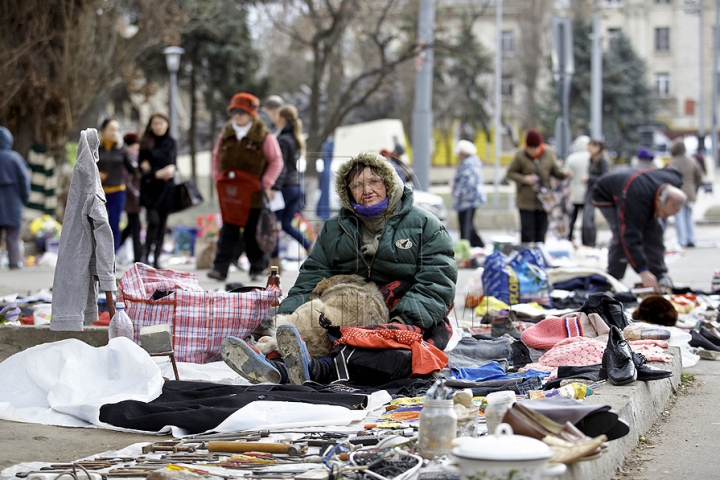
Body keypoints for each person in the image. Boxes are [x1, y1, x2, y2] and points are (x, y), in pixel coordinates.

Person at [221, 151, 458, 385]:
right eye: (357, 185)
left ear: (389, 182)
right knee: (311, 326)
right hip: (347, 306)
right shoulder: (335, 229)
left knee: (392, 352)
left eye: (374, 181)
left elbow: (436, 281)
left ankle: (300, 369)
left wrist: (399, 324)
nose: (367, 190)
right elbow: (312, 275)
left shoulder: (425, 225)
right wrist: (285, 316)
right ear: (348, 193)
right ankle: (276, 362)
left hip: (404, 310)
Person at [208, 92, 283, 282]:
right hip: (230, 193)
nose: (237, 115)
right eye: (234, 111)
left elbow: (276, 161)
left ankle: (257, 269)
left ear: (251, 113)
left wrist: (265, 183)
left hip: (253, 194)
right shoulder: (225, 134)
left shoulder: (264, 136)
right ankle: (219, 269)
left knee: (252, 233)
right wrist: (216, 177)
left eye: (241, 112)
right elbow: (216, 157)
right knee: (228, 231)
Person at [591, 167, 685, 292]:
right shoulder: (636, 200)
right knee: (621, 234)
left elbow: (674, 170)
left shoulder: (674, 180)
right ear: (658, 201)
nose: (665, 218)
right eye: (664, 213)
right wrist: (642, 271)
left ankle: (659, 274)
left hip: (638, 188)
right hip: (606, 193)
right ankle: (613, 277)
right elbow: (629, 236)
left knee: (655, 230)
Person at [506, 129, 571, 244]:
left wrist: (564, 174)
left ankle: (539, 255)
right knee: (527, 231)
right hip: (525, 200)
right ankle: (526, 255)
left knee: (541, 231)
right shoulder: (520, 155)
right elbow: (510, 173)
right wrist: (524, 179)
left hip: (544, 201)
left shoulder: (549, 153)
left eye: (535, 148)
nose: (533, 151)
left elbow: (555, 170)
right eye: (530, 148)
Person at [269, 104, 313, 267]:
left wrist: (274, 187)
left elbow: (281, 166)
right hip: (295, 186)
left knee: (272, 225)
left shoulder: (282, 139)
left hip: (284, 187)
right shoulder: (296, 138)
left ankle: (274, 263)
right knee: (286, 224)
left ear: (282, 118)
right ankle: (309, 246)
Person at [138, 113, 177, 269]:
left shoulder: (171, 142)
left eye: (161, 123)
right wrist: (157, 173)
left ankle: (156, 258)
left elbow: (173, 163)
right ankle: (146, 254)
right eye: (155, 123)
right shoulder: (146, 143)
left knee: (162, 225)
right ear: (151, 125)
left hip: (167, 189)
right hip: (150, 190)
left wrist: (170, 169)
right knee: (153, 222)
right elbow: (142, 168)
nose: (158, 126)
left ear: (167, 125)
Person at [97, 118, 136, 252]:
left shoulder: (121, 148)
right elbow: (86, 167)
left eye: (117, 130)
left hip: (117, 191)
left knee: (114, 224)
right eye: (111, 129)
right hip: (99, 192)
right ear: (103, 130)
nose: (114, 133)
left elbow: (132, 169)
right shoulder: (96, 146)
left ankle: (112, 256)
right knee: (99, 224)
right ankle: (97, 256)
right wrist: (97, 174)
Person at [0, 126, 30, 269]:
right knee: (13, 235)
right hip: (12, 202)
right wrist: (25, 197)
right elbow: (24, 180)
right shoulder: (15, 158)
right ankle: (14, 263)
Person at [451, 139, 486, 248]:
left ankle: (465, 245)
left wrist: (458, 194)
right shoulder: (471, 163)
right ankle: (477, 244)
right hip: (470, 199)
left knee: (465, 224)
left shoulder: (468, 165)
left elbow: (466, 183)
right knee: (468, 224)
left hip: (467, 200)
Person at [668, 139, 703, 248]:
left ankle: (682, 240)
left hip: (677, 193)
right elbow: (699, 176)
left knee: (679, 217)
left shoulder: (672, 163)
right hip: (690, 193)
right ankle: (691, 239)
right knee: (689, 217)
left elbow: (667, 177)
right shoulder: (691, 161)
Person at [581, 138, 610, 247]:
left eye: (590, 147)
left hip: (596, 192)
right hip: (589, 191)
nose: (589, 149)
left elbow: (604, 177)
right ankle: (587, 243)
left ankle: (590, 244)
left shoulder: (602, 160)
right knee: (587, 218)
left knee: (588, 219)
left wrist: (590, 178)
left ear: (597, 147)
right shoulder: (592, 159)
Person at [119, 132, 142, 263]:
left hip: (133, 197)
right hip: (131, 198)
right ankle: (139, 259)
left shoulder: (135, 157)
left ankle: (115, 250)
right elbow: (128, 179)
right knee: (135, 227)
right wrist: (136, 194)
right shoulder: (129, 157)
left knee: (132, 227)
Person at [565, 135, 590, 245]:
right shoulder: (591, 157)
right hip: (588, 193)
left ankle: (569, 239)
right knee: (587, 220)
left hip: (574, 192)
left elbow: (567, 174)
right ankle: (587, 242)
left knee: (572, 219)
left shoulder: (572, 158)